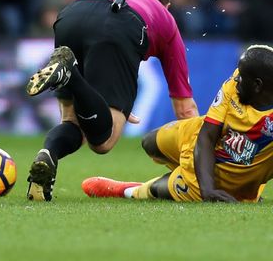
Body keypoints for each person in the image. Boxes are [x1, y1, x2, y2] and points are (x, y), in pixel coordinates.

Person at [25, 0, 198, 201]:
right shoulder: (165, 19)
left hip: (71, 15)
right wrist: (199, 165)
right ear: (166, 6)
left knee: (72, 120)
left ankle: (48, 154)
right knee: (103, 142)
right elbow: (185, 109)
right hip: (120, 24)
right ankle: (70, 75)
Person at [82, 45, 273, 203]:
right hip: (199, 134)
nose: (236, 78)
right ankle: (189, 172)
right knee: (149, 142)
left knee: (157, 190)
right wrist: (207, 190)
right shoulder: (236, 81)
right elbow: (207, 135)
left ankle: (127, 190)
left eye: (242, 77)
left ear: (257, 85)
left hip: (226, 175)